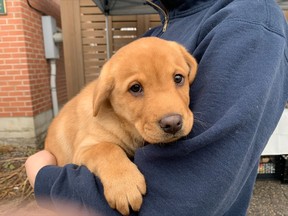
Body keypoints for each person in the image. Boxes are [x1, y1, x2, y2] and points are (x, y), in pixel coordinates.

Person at [25, 0, 288, 215]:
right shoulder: (158, 34)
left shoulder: (247, 21)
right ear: (104, 97)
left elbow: (178, 203)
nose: (169, 115)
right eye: (135, 89)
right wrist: (110, 161)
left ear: (190, 71)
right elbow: (87, 149)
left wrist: (44, 179)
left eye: (178, 79)